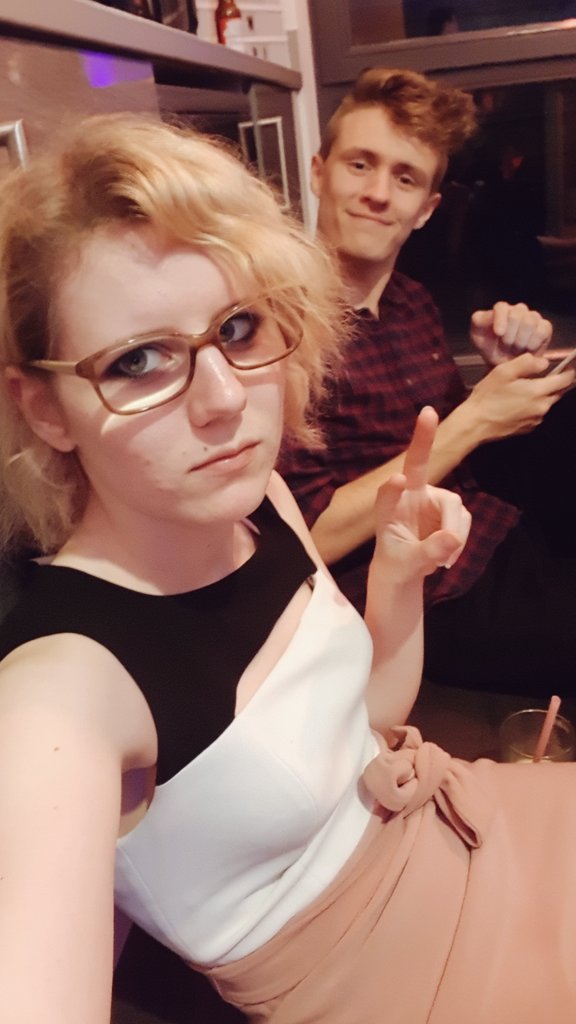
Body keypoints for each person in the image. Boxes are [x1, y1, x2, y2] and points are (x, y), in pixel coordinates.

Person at [1, 113, 576, 1024]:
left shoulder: (260, 498)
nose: (225, 399)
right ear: (43, 408)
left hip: (456, 828)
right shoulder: (61, 686)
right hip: (406, 978)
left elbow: (366, 721)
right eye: (139, 361)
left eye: (238, 327)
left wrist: (396, 573)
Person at [279, 66, 576, 696]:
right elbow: (305, 537)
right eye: (360, 164)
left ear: (426, 209)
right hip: (420, 588)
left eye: (405, 177)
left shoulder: (412, 301)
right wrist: (477, 418)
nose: (378, 193)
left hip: (488, 523)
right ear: (319, 172)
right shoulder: (279, 330)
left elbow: (442, 444)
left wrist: (497, 371)